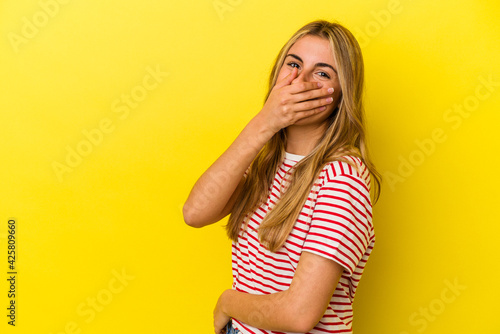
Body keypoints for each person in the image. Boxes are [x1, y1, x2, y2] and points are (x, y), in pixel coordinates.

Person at [183, 19, 382, 334]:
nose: (300, 80)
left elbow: (299, 315)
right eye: (293, 64)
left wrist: (227, 302)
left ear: (341, 95)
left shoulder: (342, 178)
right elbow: (195, 213)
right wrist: (264, 122)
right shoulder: (264, 162)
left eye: (322, 73)